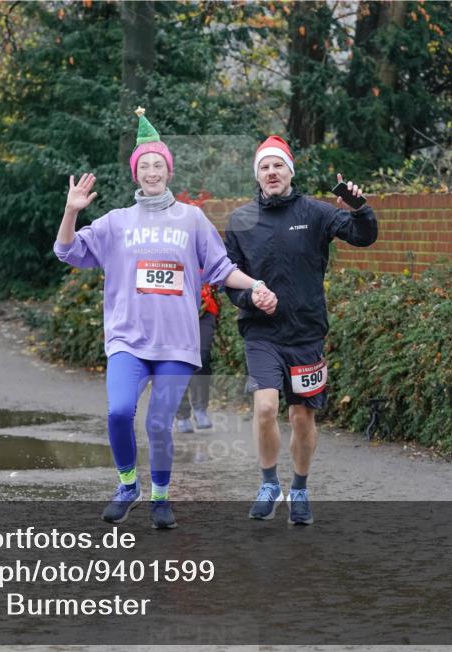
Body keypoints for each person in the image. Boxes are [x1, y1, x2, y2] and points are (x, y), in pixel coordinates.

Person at [54, 109, 276, 529]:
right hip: (126, 340)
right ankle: (127, 485)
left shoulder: (191, 219)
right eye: (145, 166)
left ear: (169, 171)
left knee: (158, 423)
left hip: (176, 343)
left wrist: (254, 284)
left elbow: (220, 268)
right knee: (119, 412)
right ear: (136, 174)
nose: (152, 172)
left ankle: (160, 497)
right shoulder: (116, 223)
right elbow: (66, 251)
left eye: (159, 165)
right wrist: (71, 212)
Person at [224, 135, 377, 525]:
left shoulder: (317, 212)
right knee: (265, 407)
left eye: (278, 166)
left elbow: (364, 236)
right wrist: (250, 299)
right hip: (262, 334)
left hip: (307, 334)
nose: (271, 172)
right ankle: (268, 483)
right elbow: (227, 280)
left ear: (290, 171)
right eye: (264, 167)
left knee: (302, 418)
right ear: (256, 175)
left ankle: (301, 489)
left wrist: (360, 208)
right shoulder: (241, 221)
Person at [174, 281, 219, 433]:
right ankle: (182, 414)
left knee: (203, 356)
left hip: (204, 308)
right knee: (177, 360)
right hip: (171, 309)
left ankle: (201, 408)